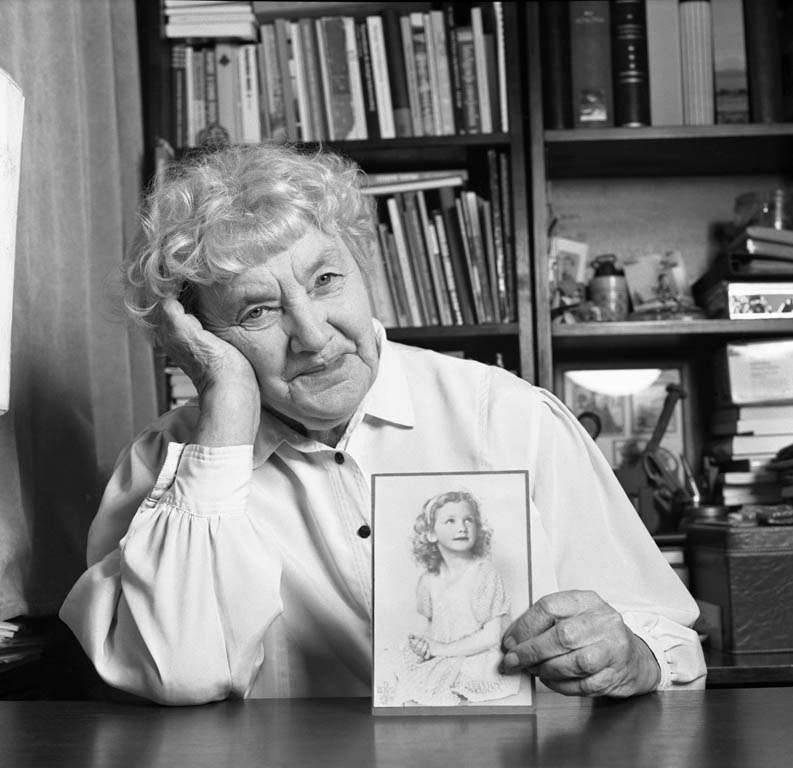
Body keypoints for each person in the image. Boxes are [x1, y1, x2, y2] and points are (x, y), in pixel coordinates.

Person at [59, 142, 706, 705]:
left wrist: (632, 656)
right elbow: (178, 676)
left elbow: (669, 638)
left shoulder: (509, 416)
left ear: (364, 270)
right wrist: (224, 411)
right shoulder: (164, 466)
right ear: (198, 337)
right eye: (258, 311)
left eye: (326, 279)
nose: (313, 335)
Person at [385, 490, 520, 707]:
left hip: (477, 659)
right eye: (450, 521)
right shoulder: (428, 581)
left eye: (469, 520)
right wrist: (424, 646)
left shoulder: (482, 573)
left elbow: (492, 636)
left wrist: (440, 649)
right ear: (431, 533)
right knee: (401, 678)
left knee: (454, 690)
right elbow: (434, 628)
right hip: (444, 656)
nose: (462, 527)